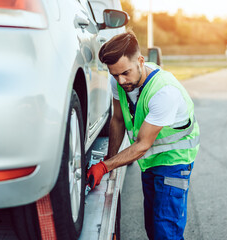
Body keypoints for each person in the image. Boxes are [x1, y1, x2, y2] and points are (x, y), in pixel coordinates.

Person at [87, 30, 200, 240]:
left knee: (165, 233)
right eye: (114, 75)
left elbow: (142, 145)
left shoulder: (163, 92)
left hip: (174, 163)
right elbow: (118, 120)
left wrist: (104, 166)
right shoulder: (119, 82)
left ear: (140, 60)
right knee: (152, 228)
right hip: (150, 163)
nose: (120, 81)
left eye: (125, 73)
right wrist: (110, 161)